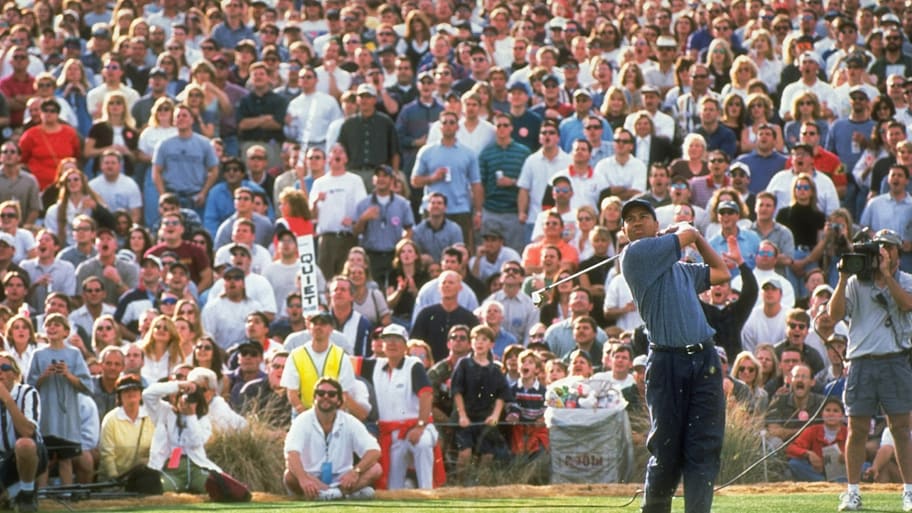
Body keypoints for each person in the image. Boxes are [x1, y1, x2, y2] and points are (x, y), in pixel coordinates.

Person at [619, 198, 729, 513]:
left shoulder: (681, 270)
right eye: (630, 219)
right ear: (624, 231)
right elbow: (687, 234)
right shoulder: (634, 254)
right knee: (666, 450)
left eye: (643, 217)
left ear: (656, 225)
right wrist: (685, 231)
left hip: (704, 359)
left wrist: (697, 237)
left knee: (703, 447)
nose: (636, 222)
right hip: (667, 362)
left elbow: (721, 272)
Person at [829, 228, 912, 511]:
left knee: (901, 428)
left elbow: (907, 305)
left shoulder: (906, 280)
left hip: (895, 359)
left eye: (889, 247)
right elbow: (834, 315)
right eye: (879, 247)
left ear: (898, 252)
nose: (883, 252)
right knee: (857, 429)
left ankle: (909, 491)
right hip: (861, 361)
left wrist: (887, 275)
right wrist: (842, 278)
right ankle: (852, 492)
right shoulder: (856, 282)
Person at [360, 324, 440, 489]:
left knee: (423, 443)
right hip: (391, 434)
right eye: (387, 339)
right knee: (393, 487)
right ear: (382, 344)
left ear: (405, 345)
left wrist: (420, 426)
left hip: (417, 427)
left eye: (397, 339)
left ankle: (428, 492)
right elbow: (346, 361)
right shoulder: (375, 365)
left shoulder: (413, 364)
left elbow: (426, 394)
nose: (392, 343)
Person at [283, 377, 381, 501]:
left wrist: (355, 472)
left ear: (339, 400)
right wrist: (303, 479)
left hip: (342, 480)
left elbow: (374, 451)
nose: (325, 397)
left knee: (376, 469)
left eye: (331, 394)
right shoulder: (302, 420)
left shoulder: (349, 421)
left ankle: (334, 494)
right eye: (320, 393)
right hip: (312, 478)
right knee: (289, 476)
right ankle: (346, 495)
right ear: (314, 398)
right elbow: (291, 454)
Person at [451, 325, 512, 484]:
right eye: (475, 339)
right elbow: (457, 391)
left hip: (485, 418)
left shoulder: (495, 369)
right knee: (465, 453)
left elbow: (501, 395)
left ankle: (480, 486)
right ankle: (459, 486)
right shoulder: (464, 364)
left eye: (484, 339)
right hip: (465, 417)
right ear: (471, 343)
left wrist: (495, 416)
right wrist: (462, 415)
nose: (479, 343)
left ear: (491, 344)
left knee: (488, 455)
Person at [142, 375, 220, 493]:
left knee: (216, 488)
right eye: (184, 396)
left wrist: (191, 416)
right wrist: (179, 385)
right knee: (159, 490)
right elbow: (147, 394)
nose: (186, 402)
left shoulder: (202, 419)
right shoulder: (164, 411)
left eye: (192, 400)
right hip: (170, 468)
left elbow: (195, 442)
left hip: (195, 466)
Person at [0, 351, 44, 512]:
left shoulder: (27, 392)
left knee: (24, 444)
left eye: (4, 368)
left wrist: (8, 400)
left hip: (29, 455)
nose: (0, 372)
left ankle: (26, 494)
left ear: (15, 374)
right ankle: (12, 493)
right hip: (2, 459)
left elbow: (27, 432)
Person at [98, 374, 153, 481]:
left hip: (143, 478)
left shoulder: (151, 418)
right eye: (126, 390)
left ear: (141, 394)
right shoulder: (110, 420)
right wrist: (115, 478)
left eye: (135, 389)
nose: (131, 393)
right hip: (115, 481)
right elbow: (107, 454)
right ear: (119, 396)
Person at [785, 396, 848, 482]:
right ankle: (822, 483)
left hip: (841, 472)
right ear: (822, 414)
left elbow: (859, 452)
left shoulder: (849, 432)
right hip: (816, 471)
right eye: (828, 410)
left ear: (842, 416)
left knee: (863, 466)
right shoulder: (812, 430)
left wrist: (847, 457)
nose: (831, 414)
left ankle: (832, 483)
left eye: (835, 411)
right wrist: (808, 454)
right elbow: (791, 448)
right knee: (794, 464)